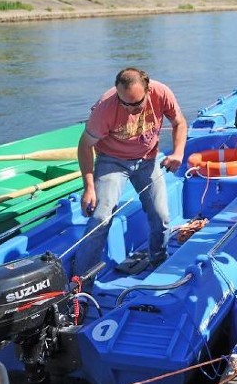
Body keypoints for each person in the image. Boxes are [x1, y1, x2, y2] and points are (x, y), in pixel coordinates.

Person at [73, 68, 187, 278]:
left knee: (161, 215)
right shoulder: (105, 108)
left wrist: (178, 153)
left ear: (147, 89)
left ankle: (158, 261)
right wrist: (88, 187)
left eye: (136, 104)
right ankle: (81, 282)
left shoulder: (161, 93)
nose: (130, 109)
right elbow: (84, 145)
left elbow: (179, 122)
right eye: (124, 102)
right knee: (100, 218)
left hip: (148, 158)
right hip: (112, 161)